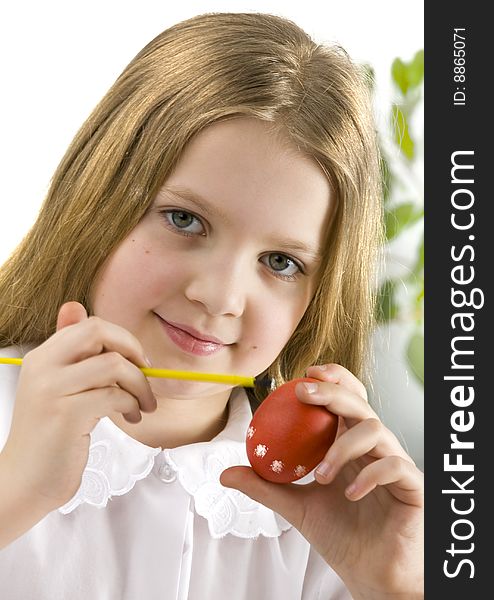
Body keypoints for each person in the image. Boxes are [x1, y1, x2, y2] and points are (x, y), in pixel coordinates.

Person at [0, 12, 423, 599]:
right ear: (96, 200)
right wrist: (12, 495)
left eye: (280, 262)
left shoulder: (336, 509)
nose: (220, 297)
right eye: (184, 220)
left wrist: (393, 588)